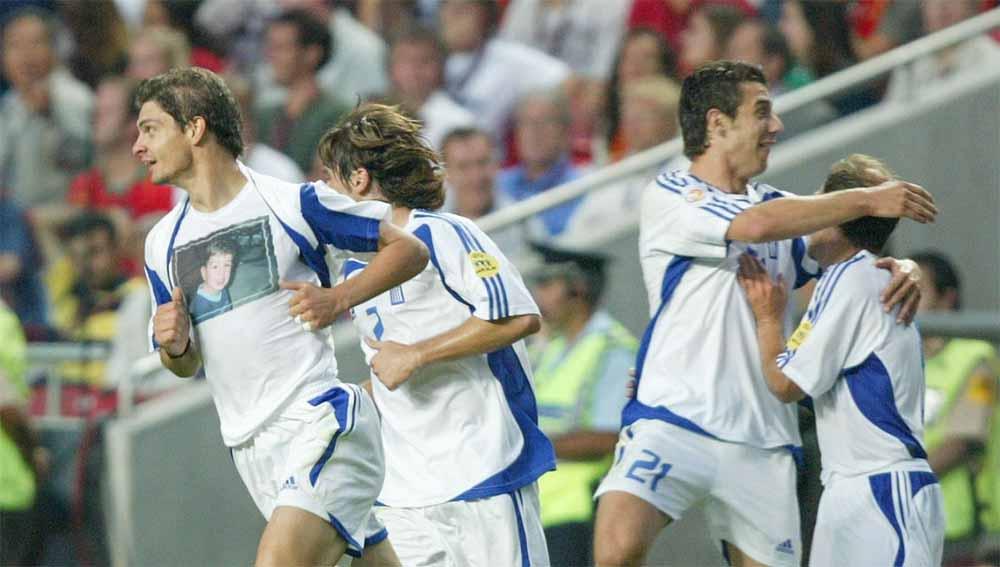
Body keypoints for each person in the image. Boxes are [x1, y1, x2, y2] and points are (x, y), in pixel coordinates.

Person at [591, 61, 936, 567]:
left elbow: (848, 244)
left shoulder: (779, 208)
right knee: (617, 551)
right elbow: (754, 226)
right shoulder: (671, 195)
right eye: (763, 112)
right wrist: (866, 195)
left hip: (764, 441)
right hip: (676, 417)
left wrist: (905, 268)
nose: (776, 127)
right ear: (717, 123)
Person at [135, 67, 427, 566]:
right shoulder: (161, 243)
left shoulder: (290, 203)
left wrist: (339, 299)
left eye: (149, 128)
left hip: (321, 420)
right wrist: (176, 346)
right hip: (250, 450)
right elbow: (183, 366)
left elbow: (410, 251)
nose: (139, 147)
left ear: (195, 128)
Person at [303, 102, 554, 566]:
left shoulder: (445, 233)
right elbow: (391, 364)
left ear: (358, 180)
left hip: (483, 470)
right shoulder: (353, 267)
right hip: (403, 492)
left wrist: (418, 354)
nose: (322, 190)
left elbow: (519, 317)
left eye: (330, 178)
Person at [737, 154, 944, 567]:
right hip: (846, 488)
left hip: (883, 487)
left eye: (821, 198)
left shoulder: (857, 278)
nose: (813, 208)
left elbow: (783, 383)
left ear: (842, 209)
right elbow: (804, 385)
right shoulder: (848, 278)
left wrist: (766, 318)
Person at [529, 245, 636, 567]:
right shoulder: (550, 347)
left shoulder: (612, 349)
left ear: (578, 289)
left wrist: (527, 445)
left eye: (547, 283)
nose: (538, 294)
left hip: (578, 511)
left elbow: (609, 436)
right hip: (540, 510)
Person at [911, 251, 999, 565]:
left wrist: (898, 479)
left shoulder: (977, 357)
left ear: (947, 299)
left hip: (959, 526)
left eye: (917, 291)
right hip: (906, 520)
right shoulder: (900, 359)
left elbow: (964, 439)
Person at [0, 7, 94, 209]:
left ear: (54, 50)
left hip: (64, 216)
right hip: (15, 220)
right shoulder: (8, 103)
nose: (26, 55)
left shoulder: (76, 97)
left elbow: (85, 160)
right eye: (15, 45)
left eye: (35, 43)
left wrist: (49, 116)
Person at [255, 9, 350, 173]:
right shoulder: (265, 114)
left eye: (281, 48)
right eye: (270, 47)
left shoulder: (337, 115)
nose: (271, 56)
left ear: (311, 54)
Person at [497, 88, 588, 241]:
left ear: (564, 132)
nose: (534, 131)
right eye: (526, 123)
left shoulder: (584, 188)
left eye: (545, 122)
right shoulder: (497, 185)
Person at [189, 239, 237, 323]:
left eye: (227, 265)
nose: (221, 273)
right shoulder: (201, 306)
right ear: (204, 273)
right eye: (215, 266)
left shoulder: (221, 286)